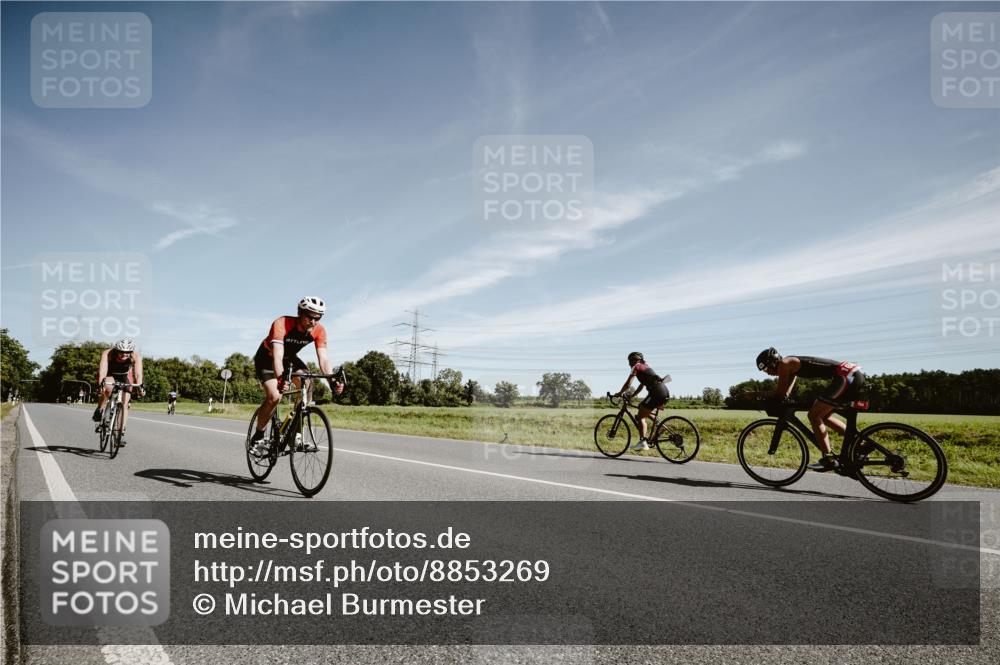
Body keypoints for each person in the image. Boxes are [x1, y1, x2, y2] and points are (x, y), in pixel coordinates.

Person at [249, 297, 344, 456]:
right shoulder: (282, 323)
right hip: (267, 359)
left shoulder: (319, 330)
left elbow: (324, 359)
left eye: (318, 317)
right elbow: (277, 356)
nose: (313, 321)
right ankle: (258, 436)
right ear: (300, 313)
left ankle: (296, 435)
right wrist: (280, 379)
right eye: (310, 316)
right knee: (275, 397)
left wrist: (331, 380)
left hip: (289, 359)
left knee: (308, 383)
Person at [749, 347, 866, 472]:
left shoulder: (784, 364)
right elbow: (785, 394)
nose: (767, 373)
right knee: (824, 416)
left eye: (766, 368)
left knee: (814, 415)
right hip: (851, 374)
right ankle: (860, 444)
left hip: (845, 376)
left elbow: (779, 392)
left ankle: (829, 459)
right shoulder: (790, 364)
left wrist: (755, 394)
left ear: (773, 361)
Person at [92, 338, 144, 446]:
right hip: (110, 374)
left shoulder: (136, 356)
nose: (124, 354)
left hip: (124, 376)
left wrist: (140, 386)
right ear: (116, 350)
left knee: (125, 403)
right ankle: (100, 409)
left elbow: (138, 374)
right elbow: (103, 370)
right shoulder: (108, 353)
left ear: (131, 352)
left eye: (127, 352)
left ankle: (120, 433)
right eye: (121, 352)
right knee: (108, 387)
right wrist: (101, 382)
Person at [616, 351, 670, 451]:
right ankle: (661, 426)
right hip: (664, 391)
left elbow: (628, 384)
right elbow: (641, 386)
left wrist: (619, 393)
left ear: (636, 360)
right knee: (642, 407)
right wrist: (632, 396)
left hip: (656, 393)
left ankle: (642, 442)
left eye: (630, 361)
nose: (629, 363)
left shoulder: (636, 367)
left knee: (640, 416)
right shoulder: (645, 367)